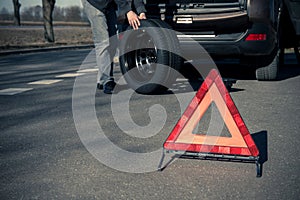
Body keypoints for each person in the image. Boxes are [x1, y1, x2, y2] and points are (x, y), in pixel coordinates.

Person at [81, 0, 147, 94]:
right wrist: (128, 11)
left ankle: (101, 80)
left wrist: (141, 11)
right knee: (103, 41)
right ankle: (106, 80)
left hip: (109, 3)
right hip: (94, 3)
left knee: (113, 41)